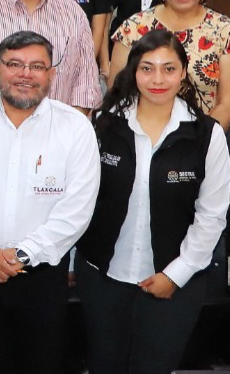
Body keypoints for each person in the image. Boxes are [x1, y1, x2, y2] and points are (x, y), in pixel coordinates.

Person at [0, 29, 100, 374]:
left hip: (42, 275)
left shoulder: (76, 128)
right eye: (15, 64)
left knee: (43, 365)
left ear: (52, 75)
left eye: (37, 66)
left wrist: (24, 254)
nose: (26, 74)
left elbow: (78, 207)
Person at [79, 29, 230, 374]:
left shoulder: (207, 135)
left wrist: (175, 274)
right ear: (133, 71)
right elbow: (81, 200)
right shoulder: (102, 124)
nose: (157, 79)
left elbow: (212, 215)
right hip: (103, 275)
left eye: (168, 68)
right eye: (147, 68)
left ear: (183, 71)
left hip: (173, 281)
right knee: (105, 365)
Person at [111, 0, 230, 126]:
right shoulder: (134, 27)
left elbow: (226, 102)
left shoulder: (224, 30)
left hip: (202, 137)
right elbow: (117, 93)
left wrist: (202, 141)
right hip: (138, 132)